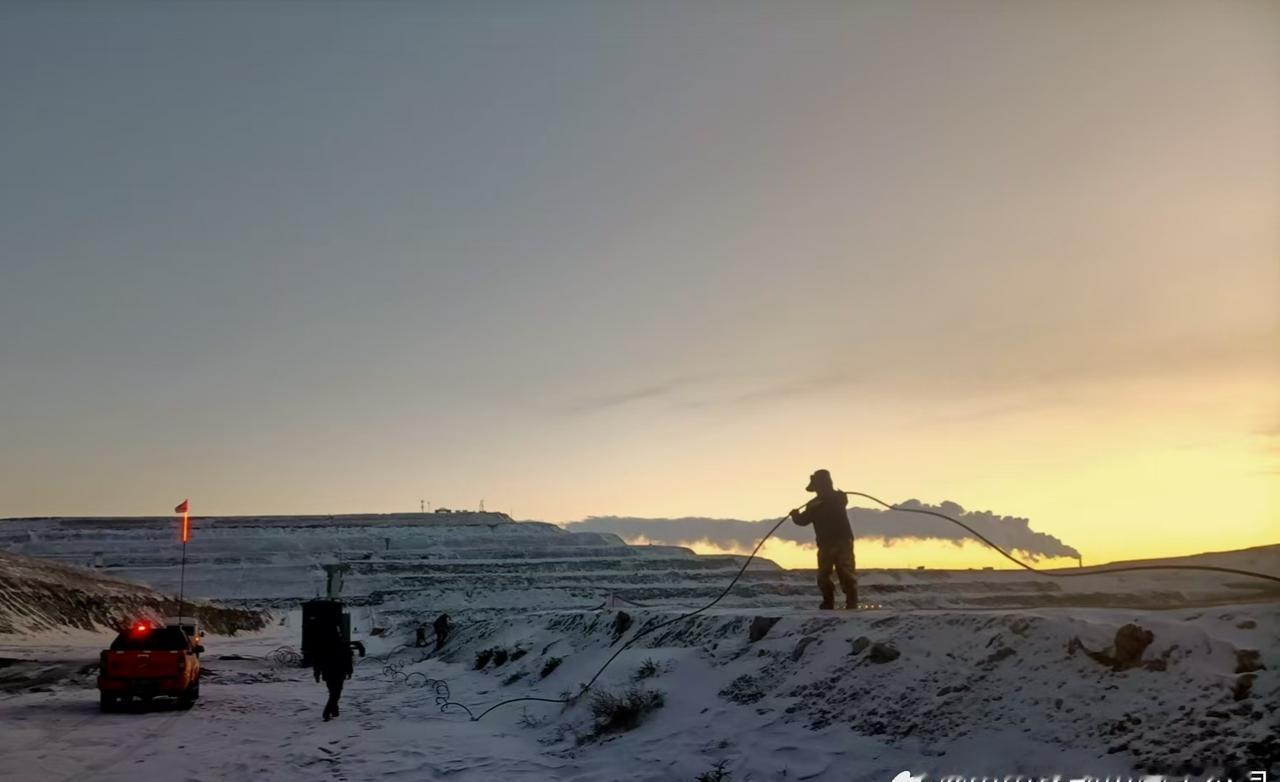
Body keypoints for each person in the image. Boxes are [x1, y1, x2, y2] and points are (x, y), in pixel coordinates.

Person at [790, 469, 858, 610]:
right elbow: (803, 520)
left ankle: (845, 602)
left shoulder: (836, 498)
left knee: (842, 572)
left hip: (837, 541)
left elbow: (803, 520)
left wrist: (795, 515)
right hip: (833, 541)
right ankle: (834, 602)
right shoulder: (834, 498)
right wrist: (796, 516)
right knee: (831, 572)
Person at [313, 630, 353, 721]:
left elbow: (317, 661)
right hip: (339, 672)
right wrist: (349, 672)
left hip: (328, 673)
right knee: (336, 693)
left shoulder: (323, 645)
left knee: (333, 692)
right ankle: (327, 712)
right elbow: (348, 659)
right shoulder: (342, 645)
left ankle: (335, 710)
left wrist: (317, 673)